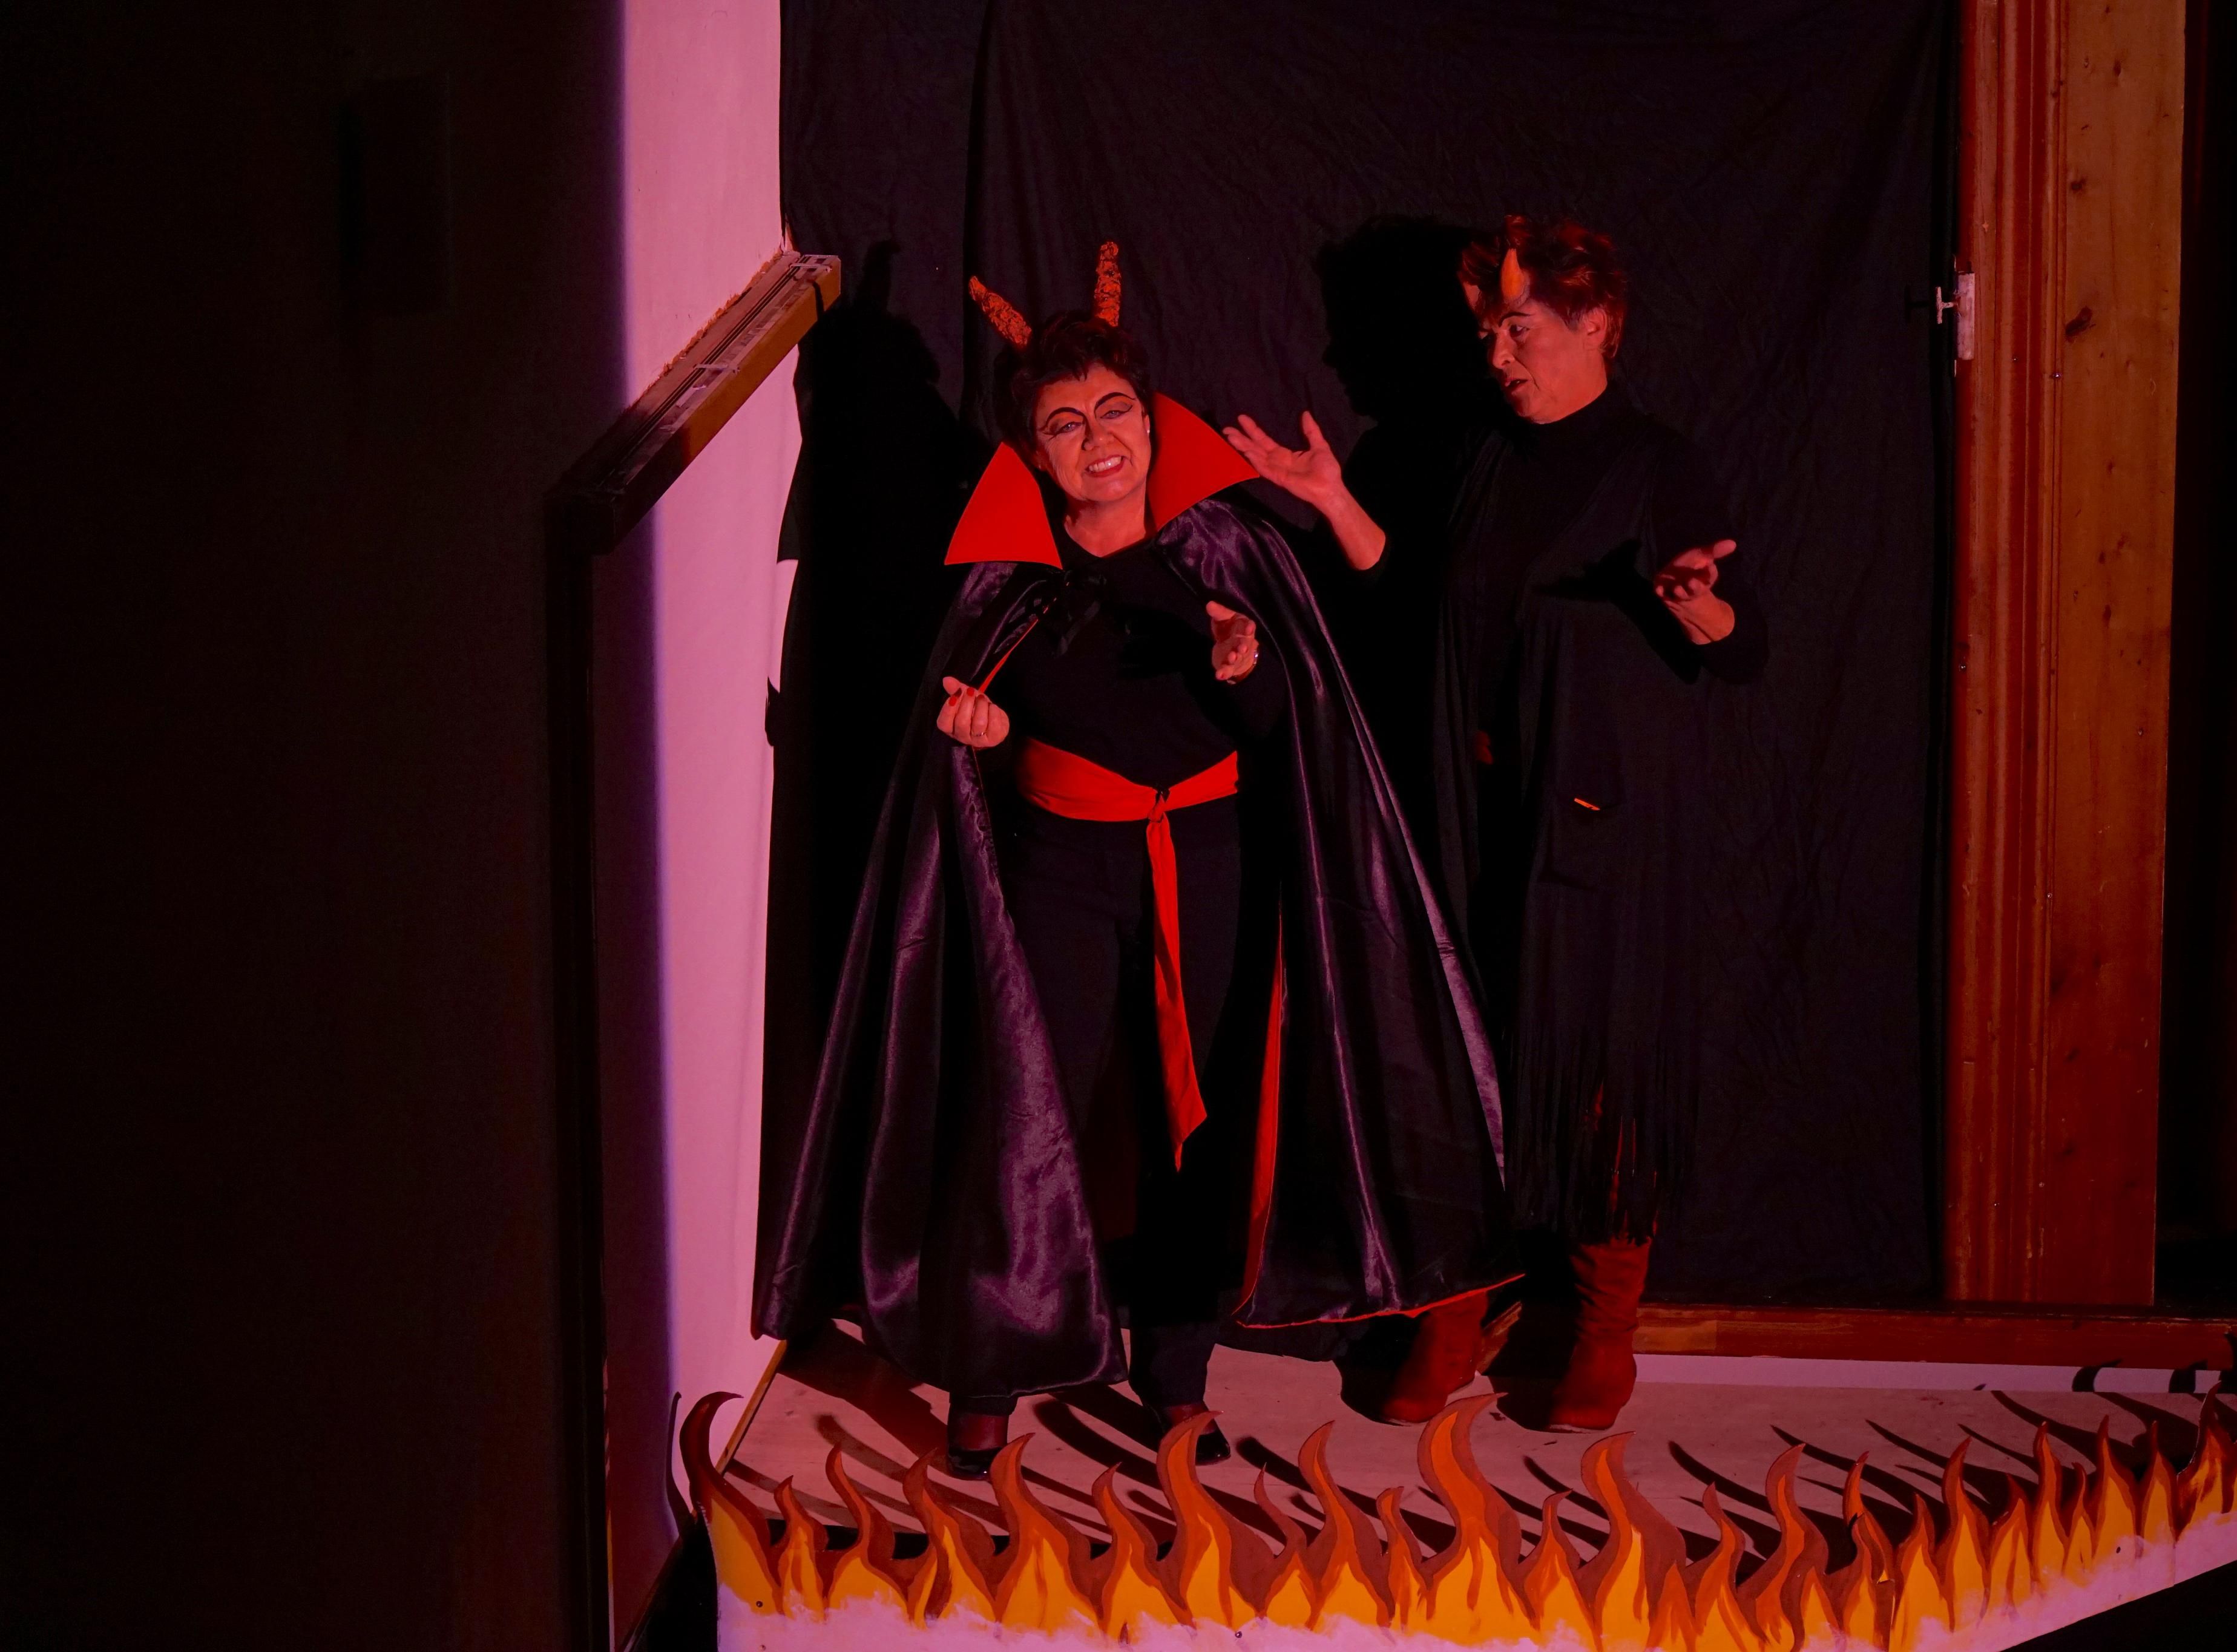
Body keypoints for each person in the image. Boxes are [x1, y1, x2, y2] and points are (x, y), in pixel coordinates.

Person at [752, 246, 1516, 1478]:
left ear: (1151, 418)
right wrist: (978, 744)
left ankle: (1174, 1382)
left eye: (1116, 409)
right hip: (1058, 874)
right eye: (1067, 423)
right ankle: (991, 1378)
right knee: (1026, 1115)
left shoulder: (1228, 551)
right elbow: (963, 750)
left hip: (1210, 869)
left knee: (1196, 1134)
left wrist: (1247, 671)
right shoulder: (1004, 579)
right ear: (1033, 450)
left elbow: (1301, 724)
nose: (1100, 439)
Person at [1226, 215, 1766, 1432]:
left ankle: (1603, 1325)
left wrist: (1698, 608)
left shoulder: (1654, 464)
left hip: (1600, 828)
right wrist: (1331, 501)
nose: (1497, 355)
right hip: (1471, 812)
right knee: (1462, 1057)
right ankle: (1457, 1302)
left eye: (1519, 330)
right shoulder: (1477, 455)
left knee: (1593, 1067)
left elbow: (1744, 646)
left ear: (1598, 324)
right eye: (1487, 333)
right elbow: (1410, 599)